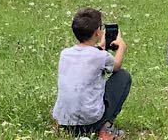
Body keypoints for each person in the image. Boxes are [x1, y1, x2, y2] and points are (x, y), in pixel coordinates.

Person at [52, 7, 131, 140]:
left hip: (64, 122)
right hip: (90, 122)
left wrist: (100, 46)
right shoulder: (100, 56)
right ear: (97, 32)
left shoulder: (65, 53)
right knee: (123, 77)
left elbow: (87, 56)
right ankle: (105, 128)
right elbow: (116, 66)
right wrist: (122, 47)